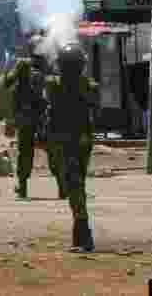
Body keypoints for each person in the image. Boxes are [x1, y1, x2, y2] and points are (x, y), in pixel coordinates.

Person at [45, 42, 99, 253]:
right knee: (76, 183)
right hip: (82, 139)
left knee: (73, 184)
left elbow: (50, 90)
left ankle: (84, 236)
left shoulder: (54, 84)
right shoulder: (88, 84)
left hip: (66, 140)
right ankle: (80, 234)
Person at [0, 34, 55, 199]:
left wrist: (9, 69)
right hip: (45, 117)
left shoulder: (22, 65)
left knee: (25, 152)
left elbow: (8, 82)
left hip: (25, 118)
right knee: (53, 150)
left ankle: (22, 188)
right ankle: (62, 186)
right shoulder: (50, 66)